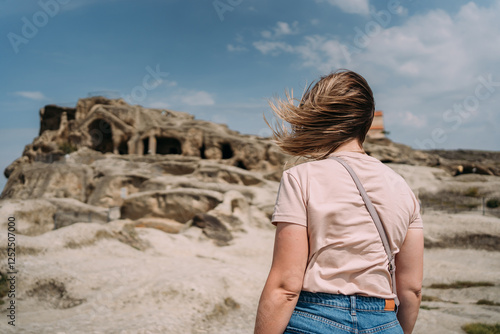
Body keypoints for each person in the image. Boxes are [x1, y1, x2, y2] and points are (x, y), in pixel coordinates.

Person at [254, 70, 423, 334]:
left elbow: (286, 286)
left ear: (319, 117)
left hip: (314, 319)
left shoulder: (300, 178)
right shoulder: (403, 189)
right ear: (367, 123)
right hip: (383, 319)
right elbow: (412, 289)